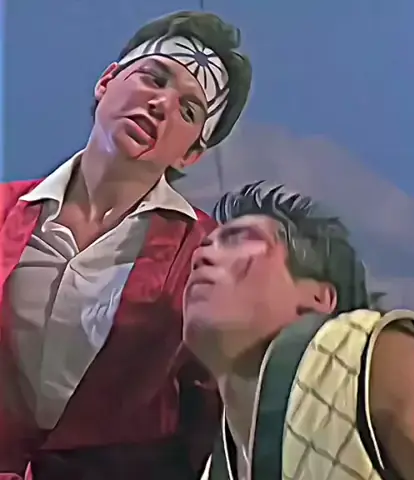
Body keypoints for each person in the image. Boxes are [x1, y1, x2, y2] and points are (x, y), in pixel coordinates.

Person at [0, 10, 251, 480]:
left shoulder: (204, 255)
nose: (161, 104)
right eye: (153, 78)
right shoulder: (3, 210)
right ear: (106, 81)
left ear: (191, 153)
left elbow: (211, 415)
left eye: (189, 110)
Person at [182, 181, 414, 480]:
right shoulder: (217, 466)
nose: (199, 257)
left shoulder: (366, 357)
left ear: (318, 297)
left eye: (237, 239)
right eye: (204, 246)